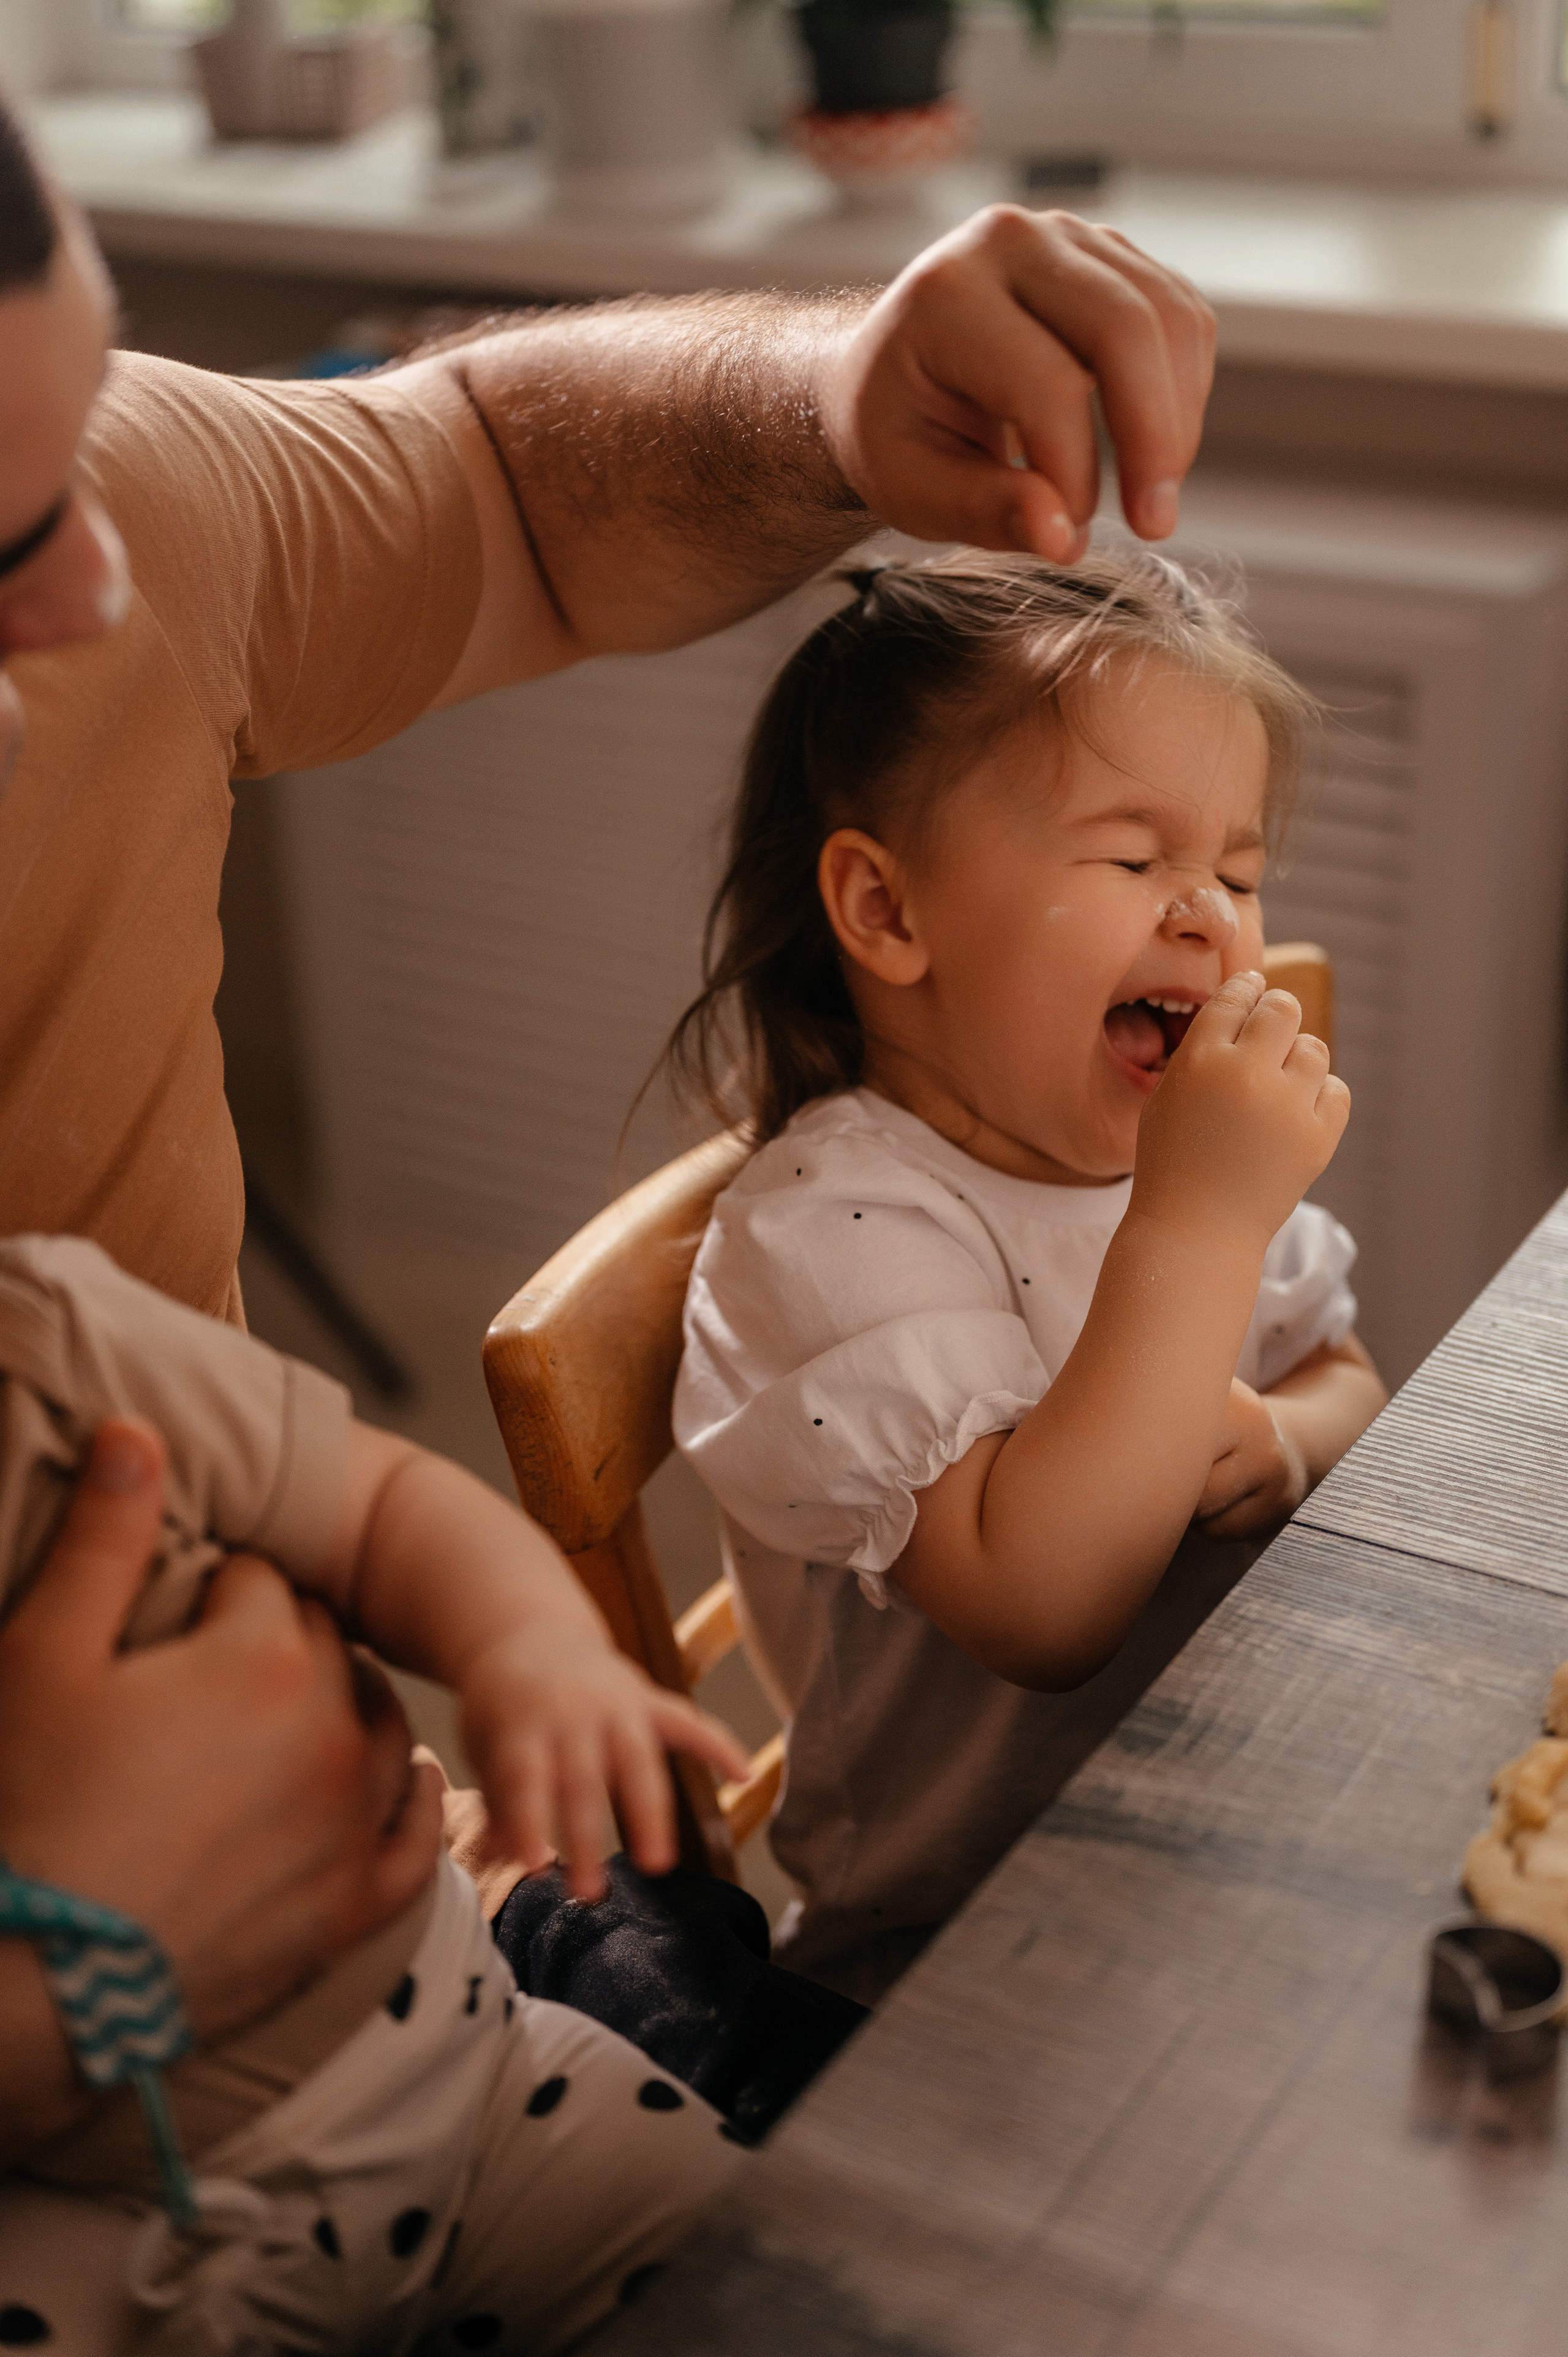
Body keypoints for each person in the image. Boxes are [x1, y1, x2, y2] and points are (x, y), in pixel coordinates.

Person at [0, 80, 1216, 2173]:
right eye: (4, 536)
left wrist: (842, 392)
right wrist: (52, 1990)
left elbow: (490, 480)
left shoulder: (97, 513)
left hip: (401, 2003)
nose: (104, 584)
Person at [671, 548, 1390, 2005]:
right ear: (885, 913)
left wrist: (1289, 1440)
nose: (1206, 914)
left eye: (1236, 872)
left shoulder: (1167, 1153)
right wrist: (1193, 1230)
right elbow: (1042, 1605)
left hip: (1228, 1839)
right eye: (1134, 860)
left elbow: (1343, 1372)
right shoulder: (830, 1234)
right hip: (952, 1952)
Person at [0, 1234, 756, 2349]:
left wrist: (522, 1646)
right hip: (86, 2238)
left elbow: (382, 1505)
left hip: (481, 2089)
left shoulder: (49, 1340)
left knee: (786, 2276)